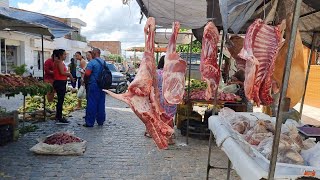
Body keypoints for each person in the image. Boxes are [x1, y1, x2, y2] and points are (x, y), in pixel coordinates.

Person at [144, 55, 177, 145]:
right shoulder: (172, 74)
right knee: (168, 117)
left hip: (156, 97)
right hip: (168, 97)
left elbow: (149, 85)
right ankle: (168, 139)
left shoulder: (156, 73)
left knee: (156, 116)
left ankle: (151, 131)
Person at [83, 48, 107, 127]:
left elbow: (87, 74)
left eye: (92, 53)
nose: (91, 54)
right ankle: (100, 121)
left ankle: (90, 122)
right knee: (101, 103)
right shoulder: (104, 62)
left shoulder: (91, 63)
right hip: (102, 86)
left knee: (92, 103)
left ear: (95, 53)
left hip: (93, 85)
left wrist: (85, 81)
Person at [53, 49, 75, 124]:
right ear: (60, 55)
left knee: (60, 100)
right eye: (64, 54)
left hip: (59, 82)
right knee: (60, 100)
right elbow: (62, 72)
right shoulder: (59, 62)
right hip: (60, 82)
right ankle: (59, 117)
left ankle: (58, 116)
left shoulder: (58, 62)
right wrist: (69, 75)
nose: (65, 56)